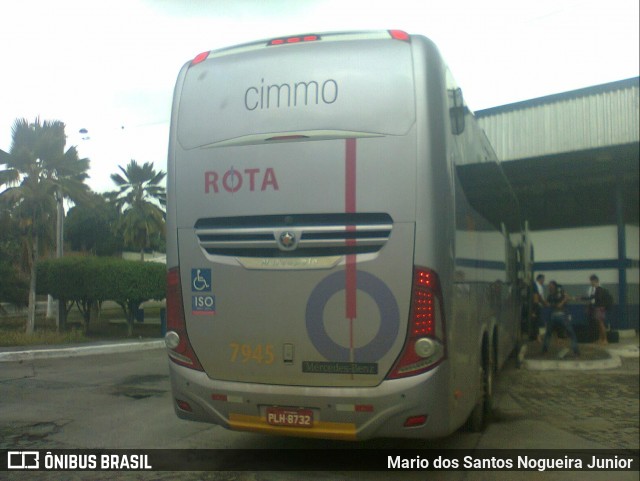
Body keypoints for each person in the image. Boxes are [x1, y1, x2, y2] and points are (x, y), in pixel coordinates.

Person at [542, 280, 580, 356]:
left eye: (550, 286)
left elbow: (547, 304)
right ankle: (576, 351)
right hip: (560, 315)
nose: (549, 287)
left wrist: (559, 303)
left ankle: (544, 350)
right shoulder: (556, 294)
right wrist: (564, 301)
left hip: (555, 316)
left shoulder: (554, 294)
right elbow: (565, 299)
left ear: (554, 286)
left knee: (548, 333)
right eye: (549, 286)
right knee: (571, 333)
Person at [582, 274, 608, 345]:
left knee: (601, 323)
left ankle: (605, 339)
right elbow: (591, 298)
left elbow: (598, 299)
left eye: (591, 281)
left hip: (600, 308)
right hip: (595, 307)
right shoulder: (593, 289)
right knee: (598, 324)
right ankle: (600, 339)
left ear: (595, 281)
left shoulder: (600, 288)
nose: (590, 283)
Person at [530, 274, 547, 340]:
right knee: (537, 321)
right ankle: (537, 336)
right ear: (540, 279)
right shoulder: (538, 286)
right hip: (537, 305)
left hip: (537, 305)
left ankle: (536, 336)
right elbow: (539, 296)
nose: (543, 281)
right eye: (543, 279)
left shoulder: (538, 286)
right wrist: (544, 303)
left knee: (536, 321)